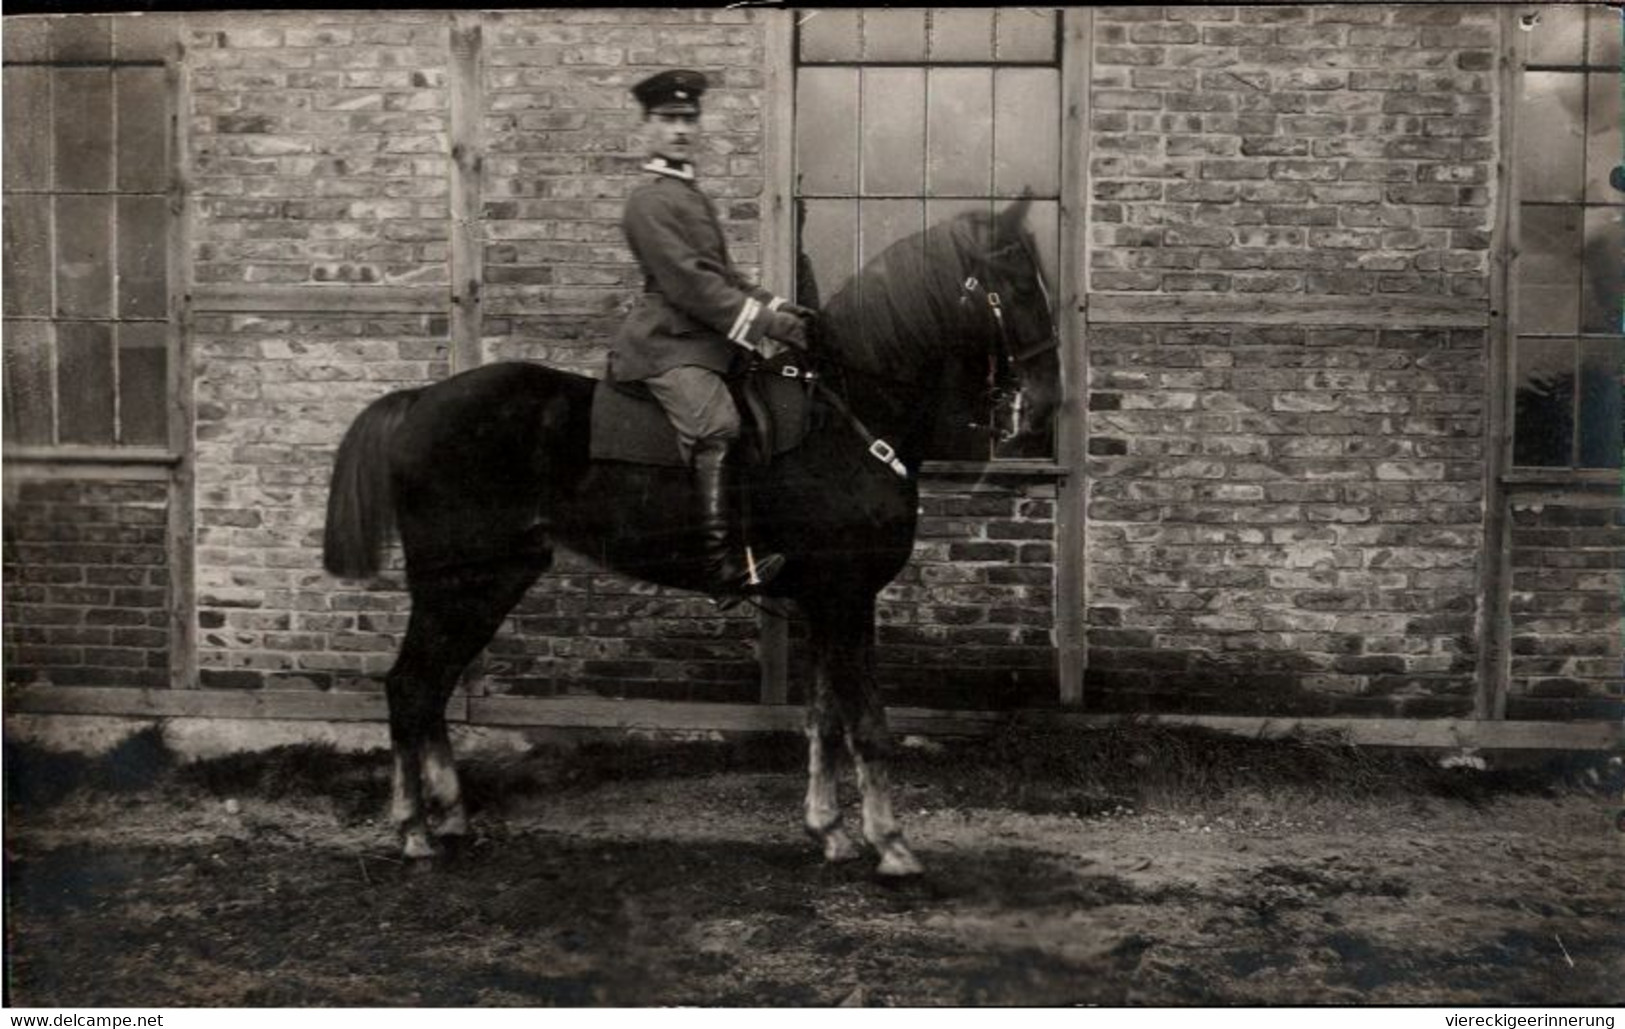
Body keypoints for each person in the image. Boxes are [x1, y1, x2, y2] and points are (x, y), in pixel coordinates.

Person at [609, 68, 813, 598]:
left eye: (688, 119)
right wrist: (767, 324)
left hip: (701, 341)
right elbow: (691, 286)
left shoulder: (689, 195)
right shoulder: (648, 201)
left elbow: (726, 277)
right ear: (647, 126)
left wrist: (781, 306)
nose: (680, 130)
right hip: (666, 344)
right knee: (716, 425)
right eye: (667, 119)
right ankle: (718, 565)